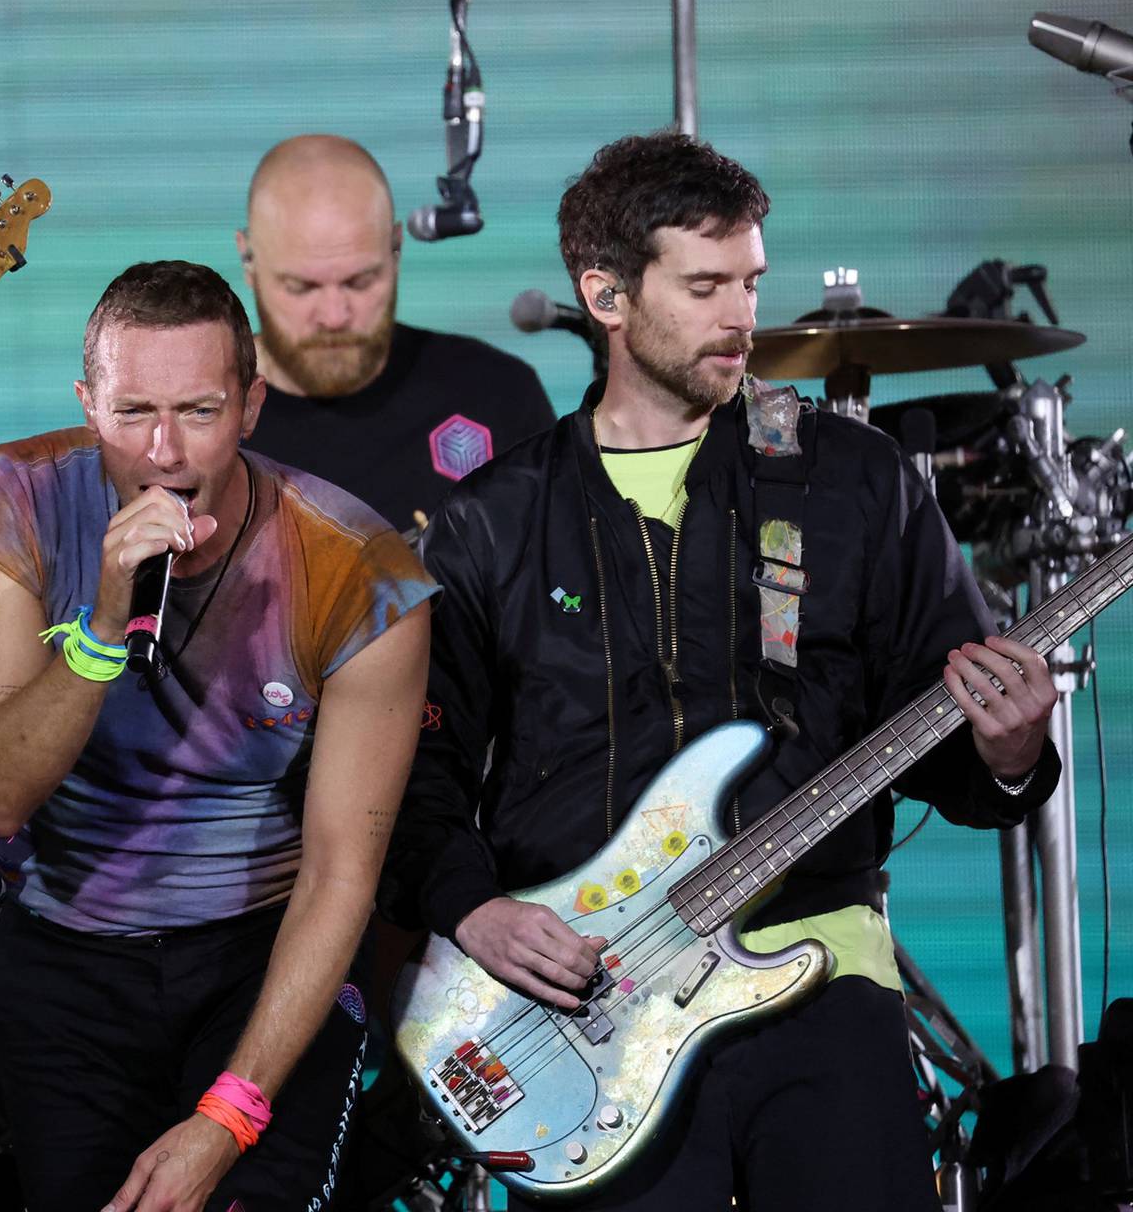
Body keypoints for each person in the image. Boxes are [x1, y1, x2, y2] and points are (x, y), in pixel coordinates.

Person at [382, 130, 1058, 1211]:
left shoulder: (852, 480)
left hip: (822, 969)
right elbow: (410, 772)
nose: (742, 315)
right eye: (704, 287)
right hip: (587, 1011)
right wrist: (475, 910)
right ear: (604, 294)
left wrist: (1012, 749)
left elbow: (956, 752)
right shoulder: (492, 522)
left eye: (750, 280)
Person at [0, 260, 435, 1210]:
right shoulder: (18, 500)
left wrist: (228, 1119)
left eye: (199, 413)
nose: (164, 453)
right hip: (64, 942)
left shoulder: (357, 570)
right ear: (87, 404)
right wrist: (97, 628)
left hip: (258, 949)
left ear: (251, 405)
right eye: (132, 414)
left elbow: (341, 878)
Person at [236, 134, 554, 533]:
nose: (335, 316)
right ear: (248, 262)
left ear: (397, 249)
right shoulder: (194, 417)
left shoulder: (497, 396)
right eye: (302, 287)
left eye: (360, 281)